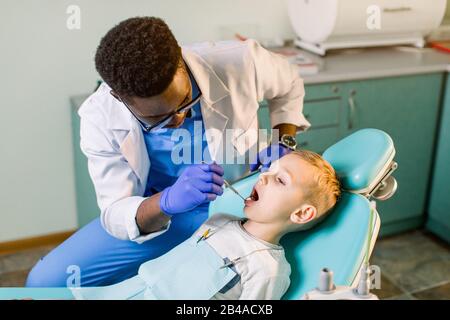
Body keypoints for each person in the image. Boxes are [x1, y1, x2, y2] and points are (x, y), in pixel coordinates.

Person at [26, 17, 310, 287]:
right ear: (119, 97)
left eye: (186, 101)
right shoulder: (99, 117)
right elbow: (116, 212)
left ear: (182, 64)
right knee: (44, 283)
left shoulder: (241, 61)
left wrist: (283, 140)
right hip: (162, 216)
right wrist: (168, 201)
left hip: (238, 203)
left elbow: (290, 85)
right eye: (158, 119)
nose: (178, 120)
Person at [72, 150, 341, 300]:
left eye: (281, 180)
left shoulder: (268, 270)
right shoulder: (219, 219)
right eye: (268, 170)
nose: (265, 177)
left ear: (302, 213)